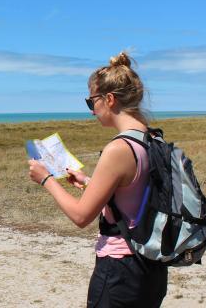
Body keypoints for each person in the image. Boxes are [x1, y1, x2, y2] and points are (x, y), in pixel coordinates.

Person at [28, 52, 168, 307]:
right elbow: (135, 194)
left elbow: (81, 217)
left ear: (110, 99)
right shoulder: (153, 139)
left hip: (120, 270)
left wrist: (45, 178)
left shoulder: (119, 148)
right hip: (152, 266)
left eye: (91, 102)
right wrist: (88, 181)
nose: (92, 111)